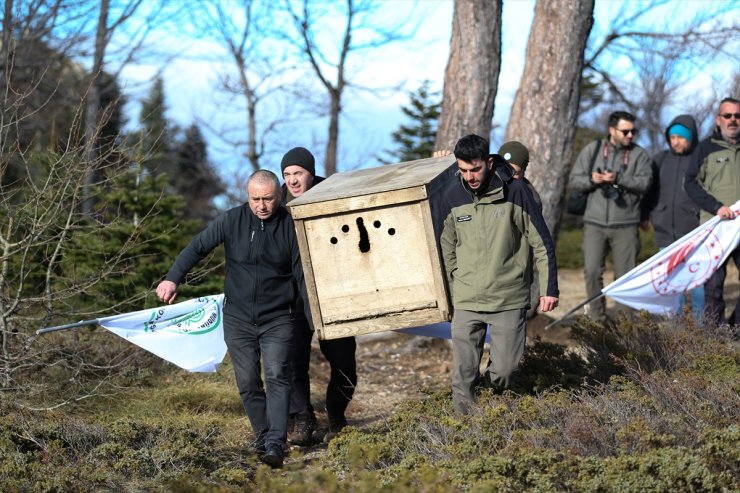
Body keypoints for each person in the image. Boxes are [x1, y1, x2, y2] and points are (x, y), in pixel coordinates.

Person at [156, 169, 305, 469]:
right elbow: (197, 247)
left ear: (279, 196)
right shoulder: (232, 220)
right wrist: (173, 278)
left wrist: (313, 314)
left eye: (268, 199)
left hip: (278, 317)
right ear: (247, 196)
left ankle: (276, 443)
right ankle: (261, 436)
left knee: (277, 376)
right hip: (238, 317)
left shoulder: (291, 225)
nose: (262, 206)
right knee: (248, 380)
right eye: (255, 199)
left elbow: (303, 274)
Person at [438, 134, 559, 415]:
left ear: (489, 163)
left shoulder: (516, 193)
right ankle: (463, 436)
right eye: (463, 170)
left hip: (508, 298)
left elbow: (541, 243)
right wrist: (454, 287)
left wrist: (549, 288)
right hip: (467, 299)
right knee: (463, 375)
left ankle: (491, 401)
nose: (469, 177)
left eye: (475, 169)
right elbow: (446, 248)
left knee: (504, 372)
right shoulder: (451, 196)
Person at [280, 147, 357, 445]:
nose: (292, 181)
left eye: (298, 173)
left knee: (344, 362)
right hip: (294, 298)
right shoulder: (278, 205)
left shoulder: (331, 194)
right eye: (287, 175)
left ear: (310, 173)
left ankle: (336, 416)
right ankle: (303, 419)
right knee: (292, 361)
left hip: (332, 293)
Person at [567, 111, 653, 322]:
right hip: (594, 223)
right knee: (592, 271)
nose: (630, 135)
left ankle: (625, 326)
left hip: (626, 224)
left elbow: (645, 184)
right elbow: (574, 181)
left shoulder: (639, 154)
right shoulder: (593, 149)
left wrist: (618, 178)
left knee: (626, 277)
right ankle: (598, 321)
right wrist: (592, 179)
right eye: (625, 131)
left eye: (633, 131)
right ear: (612, 130)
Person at [642, 115, 703, 319]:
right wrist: (645, 215)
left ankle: (702, 332)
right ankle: (675, 333)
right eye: (672, 137)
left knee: (698, 285)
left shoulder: (701, 158)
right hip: (665, 232)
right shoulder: (660, 159)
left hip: (695, 232)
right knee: (672, 286)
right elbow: (649, 191)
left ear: (691, 137)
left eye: (680, 137)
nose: (675, 141)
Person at [685, 97, 740, 325]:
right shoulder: (705, 148)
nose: (733, 120)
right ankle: (714, 342)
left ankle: (735, 328)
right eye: (728, 116)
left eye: (737, 116)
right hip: (716, 228)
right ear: (718, 119)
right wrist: (716, 207)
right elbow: (690, 182)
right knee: (713, 288)